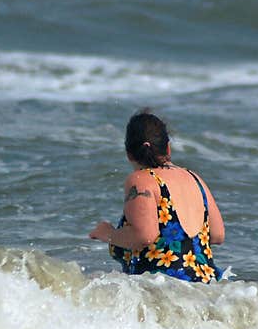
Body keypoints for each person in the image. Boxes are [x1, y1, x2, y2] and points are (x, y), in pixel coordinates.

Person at [88, 110, 225, 283]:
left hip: (167, 290)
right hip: (207, 287)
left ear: (129, 153)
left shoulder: (142, 180)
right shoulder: (194, 178)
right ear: (168, 148)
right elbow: (218, 235)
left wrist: (107, 233)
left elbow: (144, 236)